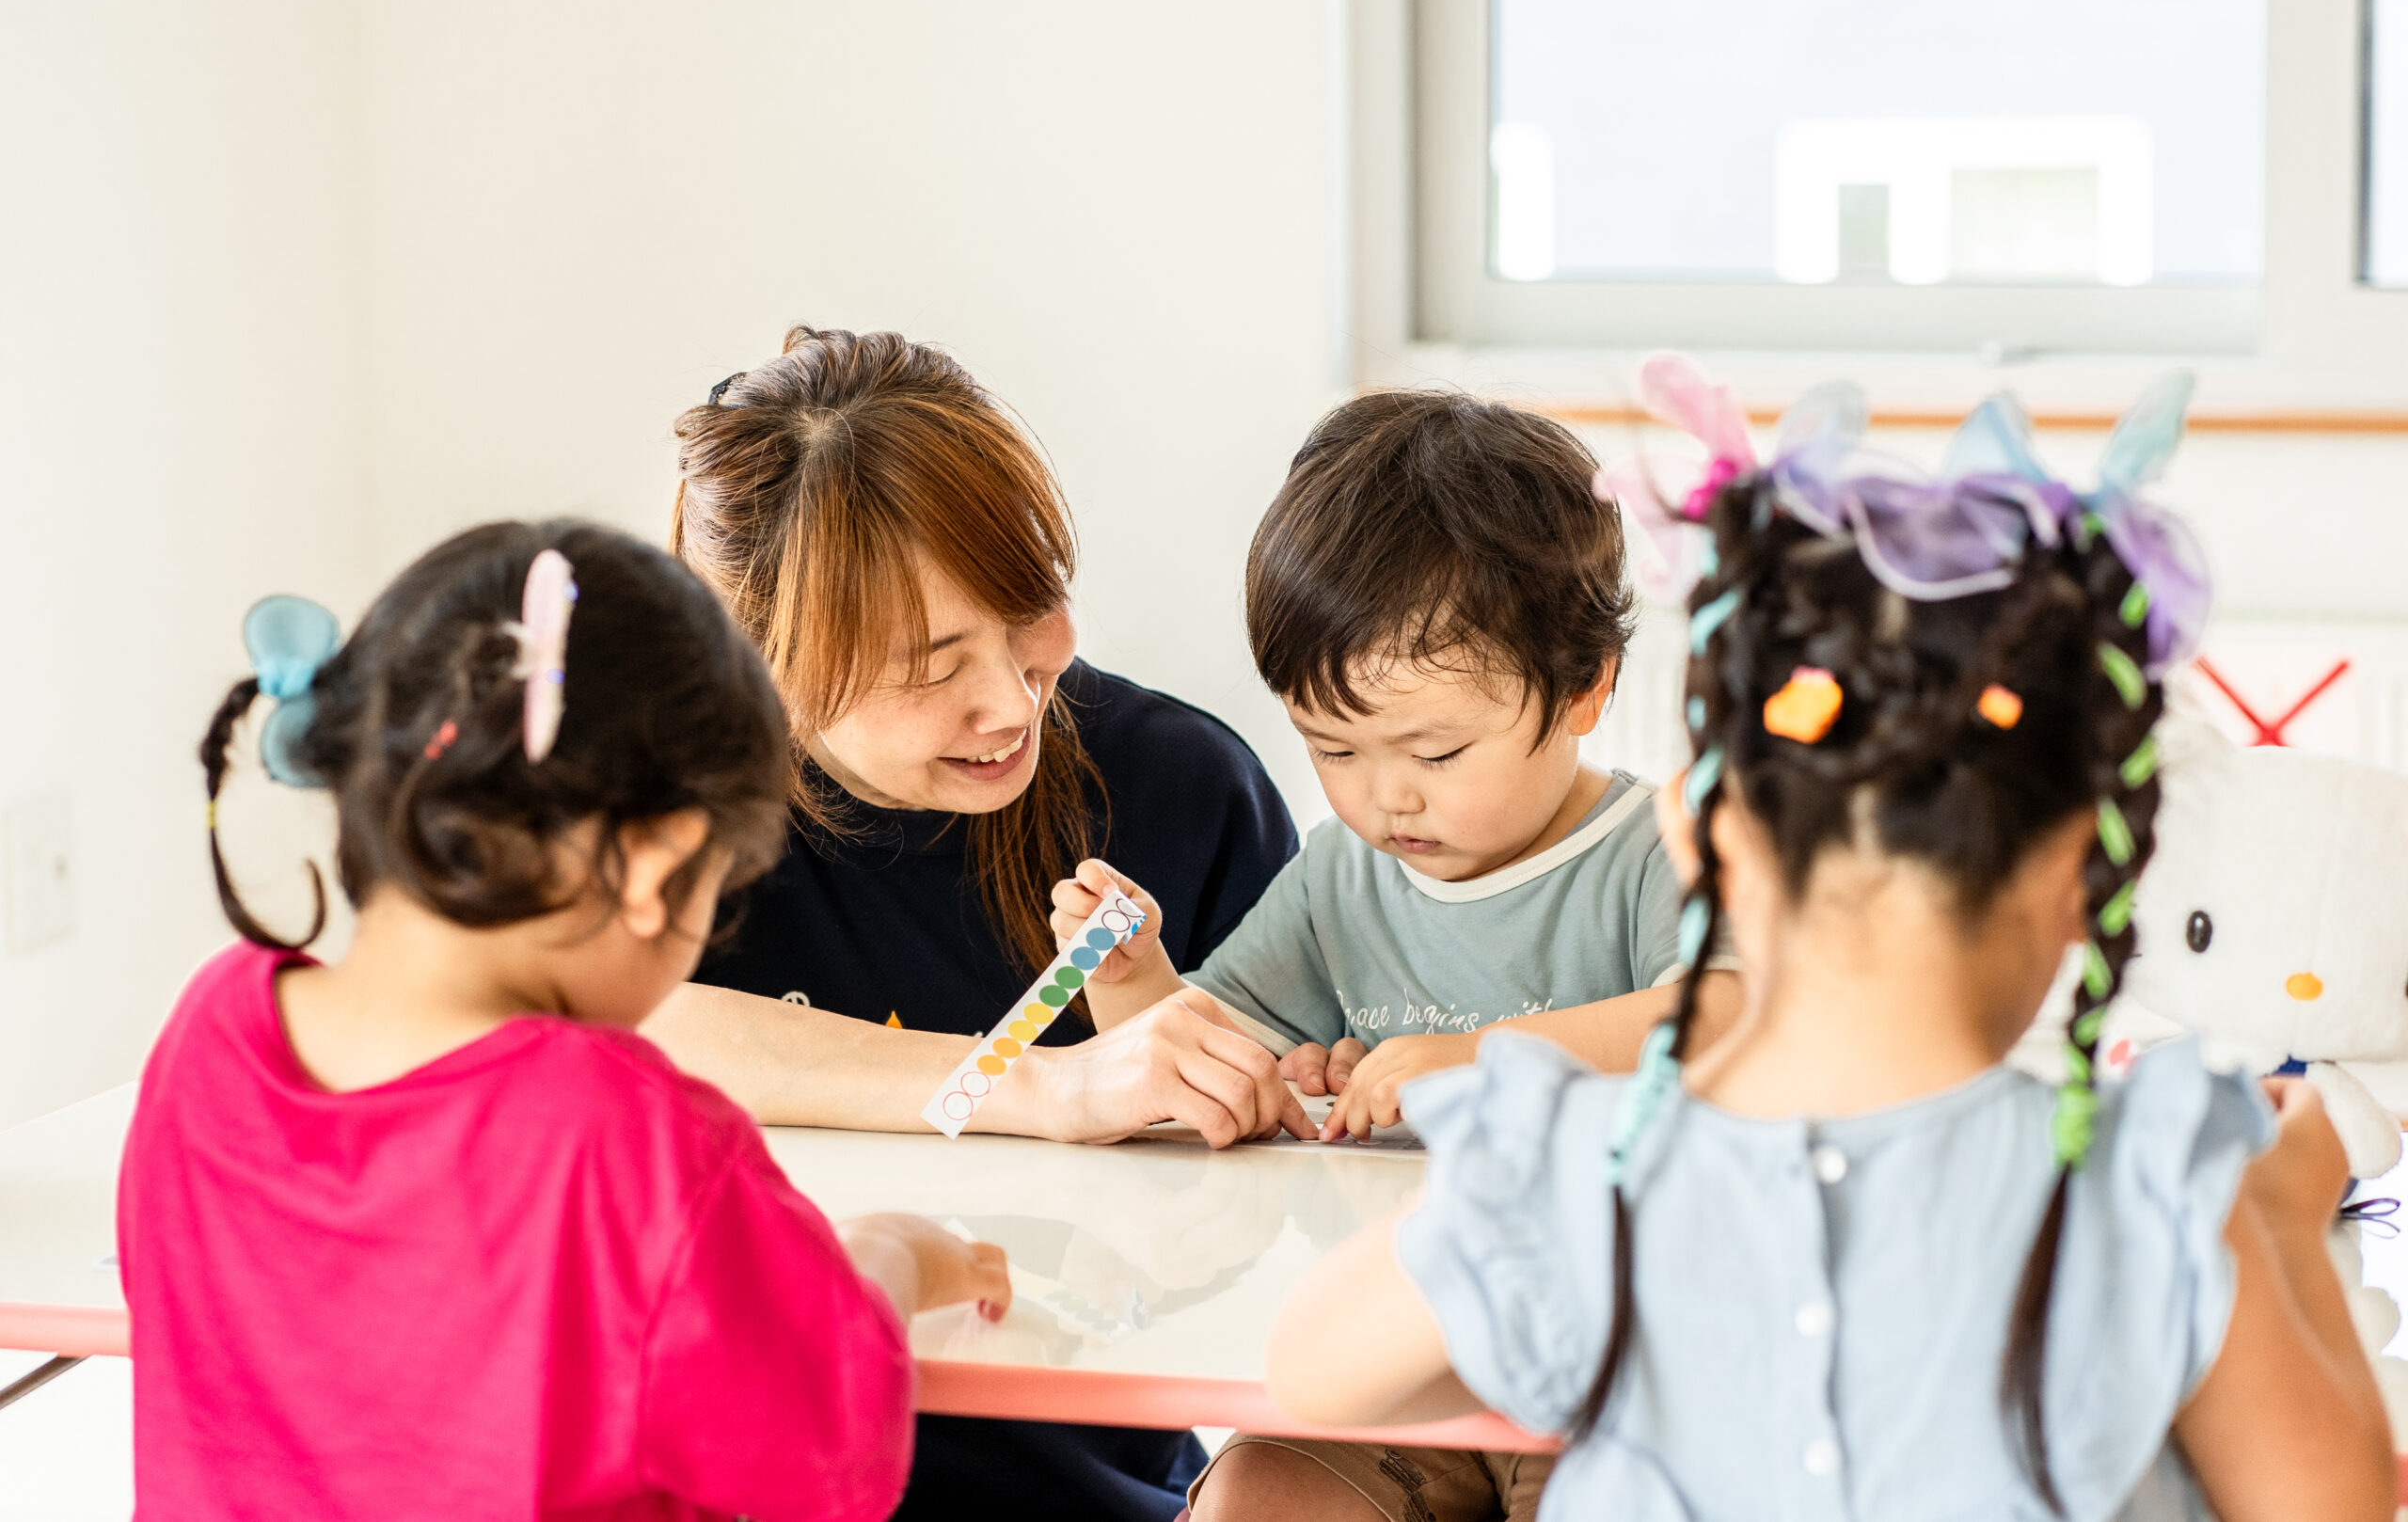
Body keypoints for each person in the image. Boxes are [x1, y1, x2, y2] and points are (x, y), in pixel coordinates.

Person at [1258, 386, 2398, 1519]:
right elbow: (2327, 1507)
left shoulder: (1574, 1175)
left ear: (1699, 838)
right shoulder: (2162, 1192)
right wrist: (2282, 1227)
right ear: (2080, 883)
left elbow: (1308, 1370)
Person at [122, 521, 1010, 1521]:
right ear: (653, 867)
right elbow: (822, 1464)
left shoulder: (206, 1032)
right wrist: (887, 1254)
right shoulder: (621, 1131)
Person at [640, 325, 1307, 1522]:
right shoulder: (671, 813)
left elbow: (1297, 1220)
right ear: (759, 663)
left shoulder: (1178, 789)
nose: (1009, 700)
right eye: (924, 662)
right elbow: (614, 1040)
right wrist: (1041, 1089)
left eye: (1029, 610)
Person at [1054, 388, 1737, 1521]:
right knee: (1247, 1503)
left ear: (1585, 690)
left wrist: (1487, 1057)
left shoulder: (1654, 851)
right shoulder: (1341, 875)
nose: (1386, 794)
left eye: (1435, 748)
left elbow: (1735, 1023)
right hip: (1389, 1380)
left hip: (1622, 1391)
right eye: (1333, 747)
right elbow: (1199, 1079)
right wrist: (1134, 986)